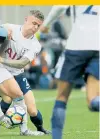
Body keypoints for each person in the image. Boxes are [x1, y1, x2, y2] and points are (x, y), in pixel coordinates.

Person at [40, 5, 99, 139]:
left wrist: (45, 25)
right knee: (92, 101)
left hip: (76, 47)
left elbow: (58, 7)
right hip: (97, 49)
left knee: (61, 98)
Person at [0, 10, 50, 136]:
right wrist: (2, 33)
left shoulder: (35, 45)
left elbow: (22, 63)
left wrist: (2, 59)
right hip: (1, 71)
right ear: (26, 19)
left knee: (32, 110)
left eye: (38, 25)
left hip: (18, 74)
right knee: (8, 98)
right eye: (33, 23)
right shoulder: (8, 28)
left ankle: (40, 128)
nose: (35, 27)